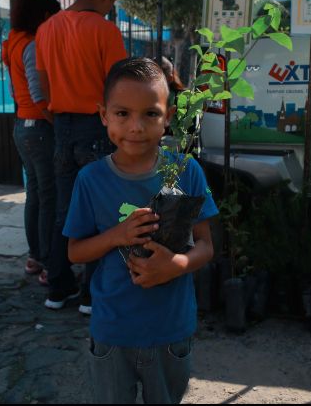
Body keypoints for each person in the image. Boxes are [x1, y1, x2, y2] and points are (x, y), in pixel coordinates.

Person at [65, 58, 217, 403]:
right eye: (122, 114)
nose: (136, 127)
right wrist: (116, 236)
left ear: (169, 116)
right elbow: (74, 252)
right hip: (112, 332)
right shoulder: (90, 180)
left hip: (170, 331)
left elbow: (206, 245)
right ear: (104, 115)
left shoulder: (184, 170)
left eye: (150, 114)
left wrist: (174, 266)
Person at [35, 0, 128, 314]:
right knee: (100, 211)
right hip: (96, 127)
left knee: (64, 210)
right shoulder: (106, 31)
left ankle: (57, 289)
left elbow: (43, 86)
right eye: (111, 5)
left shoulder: (46, 30)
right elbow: (118, 89)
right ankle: (91, 294)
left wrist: (58, 118)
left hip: (61, 126)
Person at [2, 0, 61, 286]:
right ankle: (50, 262)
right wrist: (57, 123)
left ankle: (35, 256)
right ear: (45, 17)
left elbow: (16, 92)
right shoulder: (33, 45)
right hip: (38, 128)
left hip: (22, 127)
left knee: (36, 194)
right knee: (48, 196)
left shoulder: (13, 42)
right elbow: (39, 96)